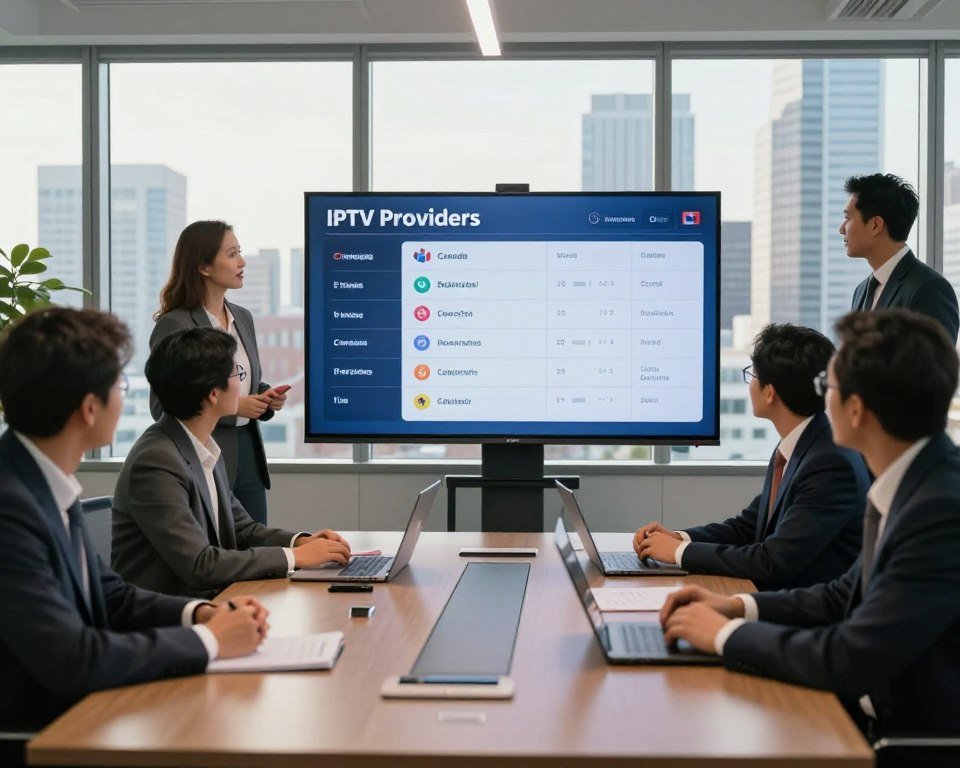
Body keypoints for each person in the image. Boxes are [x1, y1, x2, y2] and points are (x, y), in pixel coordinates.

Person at [659, 309, 960, 739]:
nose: (821, 401)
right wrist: (738, 606)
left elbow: (848, 657)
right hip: (874, 713)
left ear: (855, 409)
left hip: (907, 740)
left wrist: (726, 635)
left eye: (827, 387)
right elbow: (842, 597)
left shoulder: (939, 510)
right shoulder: (915, 481)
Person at [0, 308, 268, 746]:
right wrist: (209, 640)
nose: (124, 399)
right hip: (44, 736)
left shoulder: (42, 480)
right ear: (89, 409)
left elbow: (113, 596)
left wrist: (200, 614)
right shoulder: (11, 507)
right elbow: (73, 659)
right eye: (119, 387)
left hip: (83, 711)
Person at [113, 326, 351, 598]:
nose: (243, 383)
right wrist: (295, 557)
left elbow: (243, 530)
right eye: (237, 374)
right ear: (213, 393)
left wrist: (302, 542)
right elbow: (200, 565)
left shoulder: (202, 447)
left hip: (215, 602)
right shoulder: (156, 461)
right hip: (170, 619)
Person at [634, 324, 869, 590]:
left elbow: (772, 561)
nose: (750, 385)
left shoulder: (829, 465)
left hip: (805, 618)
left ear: (770, 393)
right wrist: (679, 538)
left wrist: (678, 554)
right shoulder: (801, 443)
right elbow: (749, 528)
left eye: (753, 375)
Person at [151, 220, 284, 525]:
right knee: (218, 556)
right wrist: (234, 407)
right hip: (202, 455)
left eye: (240, 252)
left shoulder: (243, 317)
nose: (242, 262)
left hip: (248, 454)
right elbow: (163, 405)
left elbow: (241, 379)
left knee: (256, 550)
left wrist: (263, 397)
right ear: (204, 266)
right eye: (232, 254)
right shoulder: (176, 324)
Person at [842, 172, 959, 342]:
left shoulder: (928, 289)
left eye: (848, 218)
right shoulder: (861, 290)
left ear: (875, 225)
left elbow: (935, 366)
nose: (841, 228)